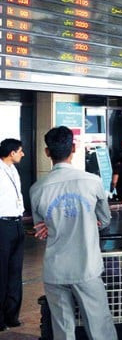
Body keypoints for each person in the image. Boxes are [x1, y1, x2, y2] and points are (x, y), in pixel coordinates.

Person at [30, 126, 117, 340]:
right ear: (74, 148)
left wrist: (54, 223)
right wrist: (88, 221)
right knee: (100, 328)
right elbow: (105, 220)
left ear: (47, 152)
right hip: (87, 266)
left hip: (55, 270)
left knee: (63, 331)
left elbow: (42, 228)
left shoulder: (37, 189)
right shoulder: (92, 181)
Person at [0, 138, 25, 331]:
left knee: (15, 271)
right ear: (11, 153)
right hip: (2, 225)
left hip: (17, 223)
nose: (22, 154)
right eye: (20, 151)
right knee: (2, 272)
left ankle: (11, 315)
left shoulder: (13, 170)